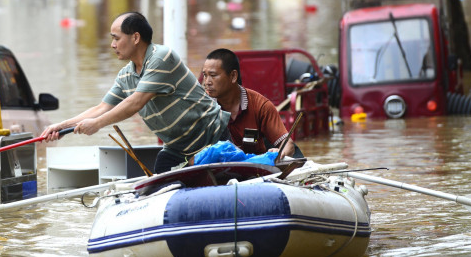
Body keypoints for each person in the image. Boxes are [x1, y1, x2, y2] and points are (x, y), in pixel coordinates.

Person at [42, 12, 229, 173]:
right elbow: (102, 107)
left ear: (136, 38)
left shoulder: (161, 57)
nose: (112, 45)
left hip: (212, 137)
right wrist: (61, 127)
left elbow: (135, 102)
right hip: (177, 149)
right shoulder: (125, 75)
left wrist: (97, 124)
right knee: (160, 187)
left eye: (116, 38)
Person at [201, 48, 298, 158]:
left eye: (213, 75)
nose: (207, 82)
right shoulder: (203, 107)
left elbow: (288, 144)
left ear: (233, 76)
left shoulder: (260, 105)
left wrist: (279, 154)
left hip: (256, 167)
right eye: (205, 75)